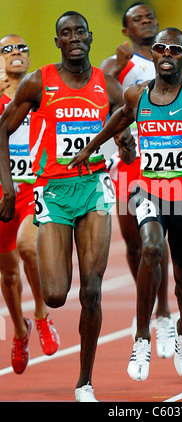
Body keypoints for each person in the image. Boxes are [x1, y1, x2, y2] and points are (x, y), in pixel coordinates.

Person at [68, 27, 182, 381]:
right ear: (154, 55)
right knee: (153, 248)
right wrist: (91, 146)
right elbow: (120, 117)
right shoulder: (137, 95)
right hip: (149, 192)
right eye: (161, 48)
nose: (166, 54)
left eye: (175, 50)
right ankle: (142, 337)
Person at [0, 12, 134, 401]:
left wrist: (125, 141)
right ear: (57, 42)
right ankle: (38, 316)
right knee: (57, 293)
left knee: (91, 290)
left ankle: (85, 381)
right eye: (65, 33)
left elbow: (123, 117)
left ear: (90, 38)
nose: (73, 37)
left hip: (93, 189)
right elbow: (3, 130)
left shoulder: (105, 84)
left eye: (79, 31)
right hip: (54, 193)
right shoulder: (39, 82)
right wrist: (8, 188)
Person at [100, 2, 182, 359]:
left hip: (161, 161)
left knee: (158, 235)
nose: (146, 22)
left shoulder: (170, 58)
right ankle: (154, 308)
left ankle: (165, 314)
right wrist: (118, 68)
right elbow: (101, 97)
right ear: (125, 30)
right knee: (135, 242)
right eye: (137, 19)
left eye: (149, 17)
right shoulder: (117, 64)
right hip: (127, 162)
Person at [0, 34, 60, 375]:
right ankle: (19, 332)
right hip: (1, 193)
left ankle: (40, 313)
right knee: (7, 273)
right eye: (7, 49)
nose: (16, 53)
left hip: (33, 188)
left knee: (29, 248)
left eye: (22, 47)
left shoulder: (40, 91)